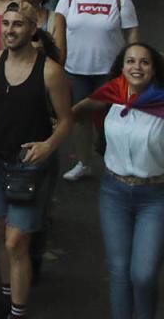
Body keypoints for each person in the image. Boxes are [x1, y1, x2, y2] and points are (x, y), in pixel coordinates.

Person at [0, 0, 73, 319]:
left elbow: (65, 120)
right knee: (1, 234)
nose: (10, 30)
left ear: (33, 29)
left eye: (18, 24)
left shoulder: (50, 71)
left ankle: (18, 312)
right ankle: (6, 298)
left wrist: (49, 146)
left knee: (15, 241)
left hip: (30, 166)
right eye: (6, 24)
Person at [72, 43, 164, 319]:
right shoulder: (113, 93)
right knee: (120, 271)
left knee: (144, 273)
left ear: (154, 68)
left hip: (155, 196)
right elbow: (76, 112)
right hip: (115, 194)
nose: (137, 67)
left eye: (145, 62)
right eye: (130, 61)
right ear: (121, 68)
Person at [57, 0, 139, 182]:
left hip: (110, 71)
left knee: (113, 119)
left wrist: (131, 63)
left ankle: (116, 162)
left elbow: (132, 31)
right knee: (80, 118)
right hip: (76, 68)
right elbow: (59, 28)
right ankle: (84, 162)